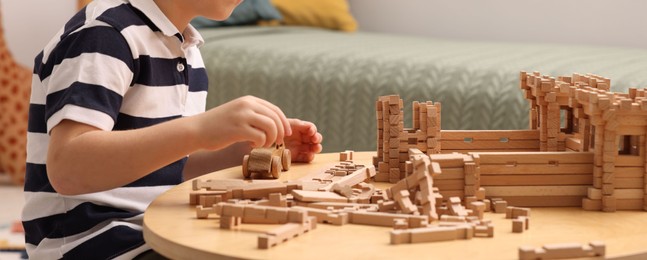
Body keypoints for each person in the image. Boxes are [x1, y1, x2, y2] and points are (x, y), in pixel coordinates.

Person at [22, 0, 323, 259]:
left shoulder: (185, 48)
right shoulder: (103, 36)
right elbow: (68, 168)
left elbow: (169, 166)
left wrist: (242, 150)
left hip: (154, 227)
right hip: (88, 240)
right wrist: (200, 130)